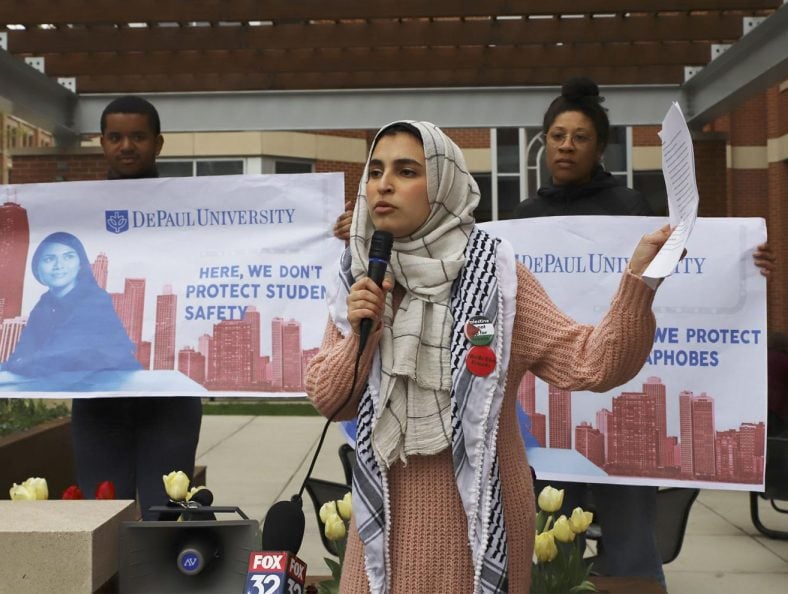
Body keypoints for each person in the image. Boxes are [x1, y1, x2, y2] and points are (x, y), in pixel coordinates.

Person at [306, 120, 670, 593]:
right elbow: (330, 401)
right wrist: (362, 335)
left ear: (444, 184)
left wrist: (639, 281)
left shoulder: (499, 281)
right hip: (383, 520)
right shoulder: (360, 274)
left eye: (407, 170)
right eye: (375, 171)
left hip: (477, 527)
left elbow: (591, 362)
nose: (384, 185)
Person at [512, 78, 774, 585]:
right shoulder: (525, 218)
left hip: (622, 406)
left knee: (631, 542)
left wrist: (746, 263)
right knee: (545, 541)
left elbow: (677, 272)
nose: (566, 146)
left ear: (599, 148)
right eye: (557, 136)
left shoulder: (631, 209)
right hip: (553, 409)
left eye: (579, 137)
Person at [0, 96, 202, 519]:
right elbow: (29, 353)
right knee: (101, 514)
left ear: (158, 144)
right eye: (116, 137)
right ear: (101, 143)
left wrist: (336, 232)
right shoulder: (66, 231)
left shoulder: (198, 208)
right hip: (95, 403)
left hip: (168, 401)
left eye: (138, 137)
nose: (127, 146)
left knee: (169, 516)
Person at [0, 232, 141, 376]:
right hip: (81, 388)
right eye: (49, 259)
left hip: (121, 391)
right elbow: (25, 354)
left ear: (81, 265)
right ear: (38, 270)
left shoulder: (95, 300)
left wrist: (7, 367)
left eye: (68, 257)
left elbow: (56, 356)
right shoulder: (44, 304)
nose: (59, 266)